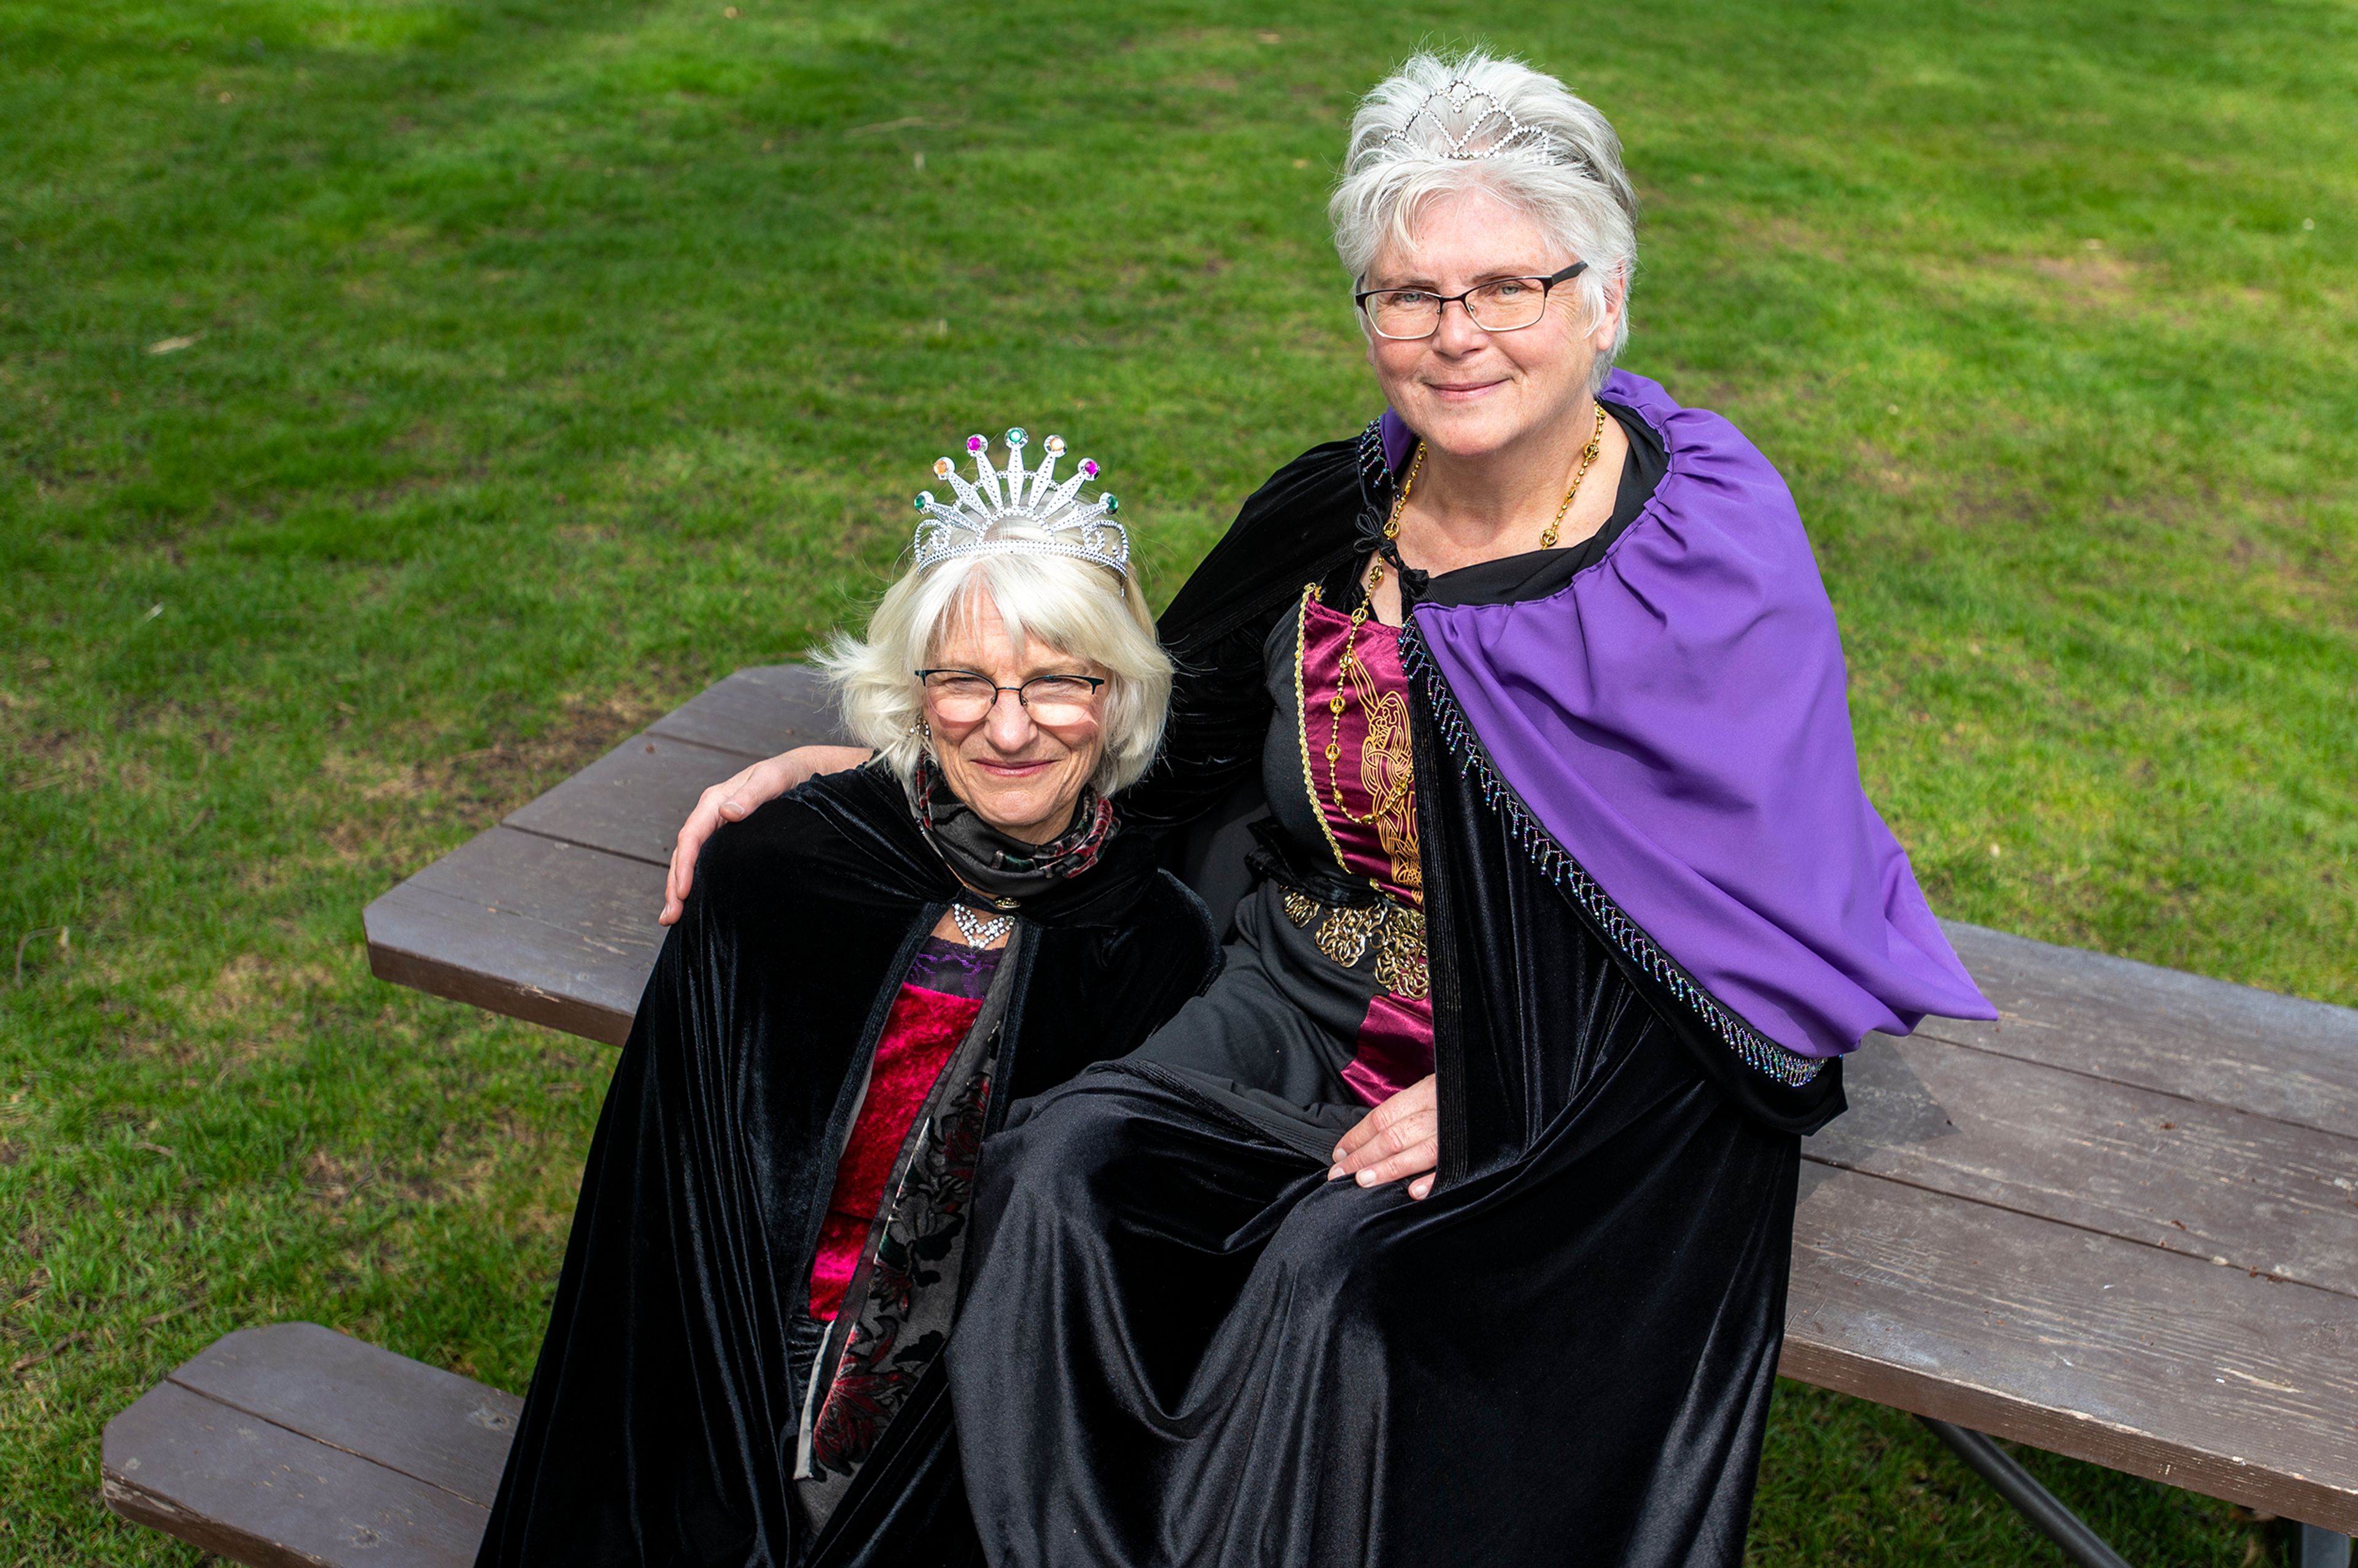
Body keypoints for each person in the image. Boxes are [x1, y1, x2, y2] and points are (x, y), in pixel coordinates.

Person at [664, 51, 1996, 1568]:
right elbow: (1162, 733)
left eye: (1506, 286)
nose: (1454, 335)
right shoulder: (1333, 514)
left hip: (1591, 1064)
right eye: (1406, 294)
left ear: (1603, 299)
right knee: (1057, 1172)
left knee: (1336, 1278)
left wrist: (1511, 1093)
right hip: (1305, 984)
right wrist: (896, 767)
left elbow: (1779, 927)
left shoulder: (1701, 553)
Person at [475, 430, 1218, 1568]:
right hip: (731, 1408)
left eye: (1057, 680)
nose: (1008, 726)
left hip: (970, 1446)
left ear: (1118, 694)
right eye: (965, 679)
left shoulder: (1155, 940)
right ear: (914, 693)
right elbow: (665, 1224)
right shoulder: (783, 874)